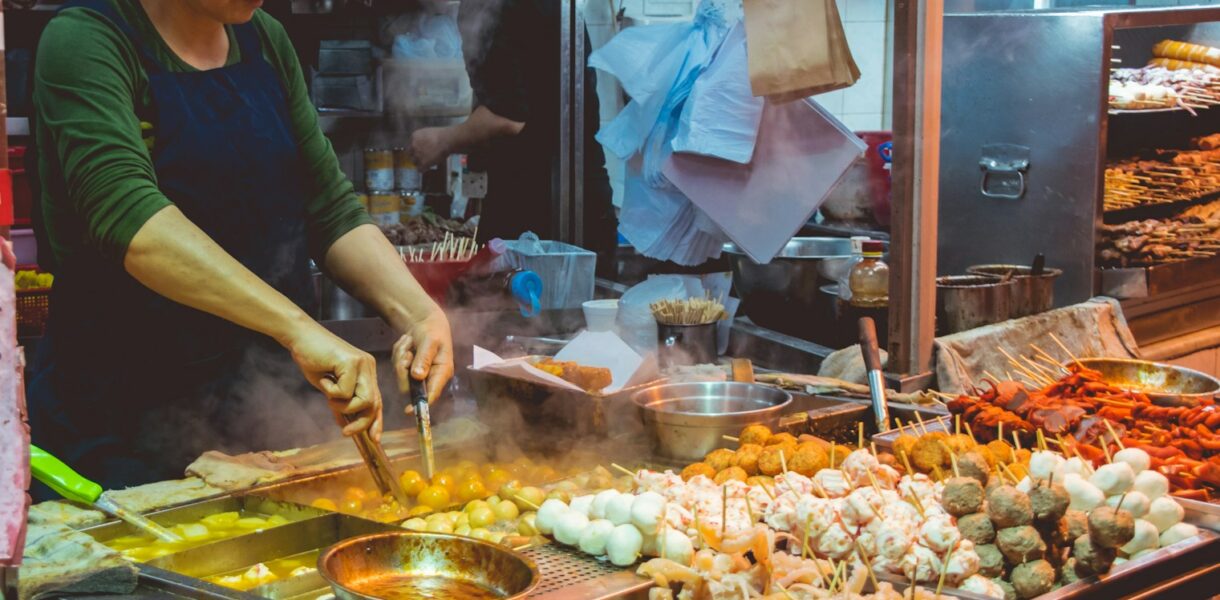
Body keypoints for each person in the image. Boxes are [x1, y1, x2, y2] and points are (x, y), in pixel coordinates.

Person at [26, 0, 454, 491]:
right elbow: (130, 217)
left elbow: (330, 208)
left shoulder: (265, 41)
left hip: (264, 419)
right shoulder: (86, 40)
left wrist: (421, 314)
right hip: (124, 427)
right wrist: (298, 329)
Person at [408, 0, 618, 274]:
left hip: (532, 220)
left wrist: (441, 140)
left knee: (503, 311)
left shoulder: (487, 7)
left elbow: (507, 117)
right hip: (582, 208)